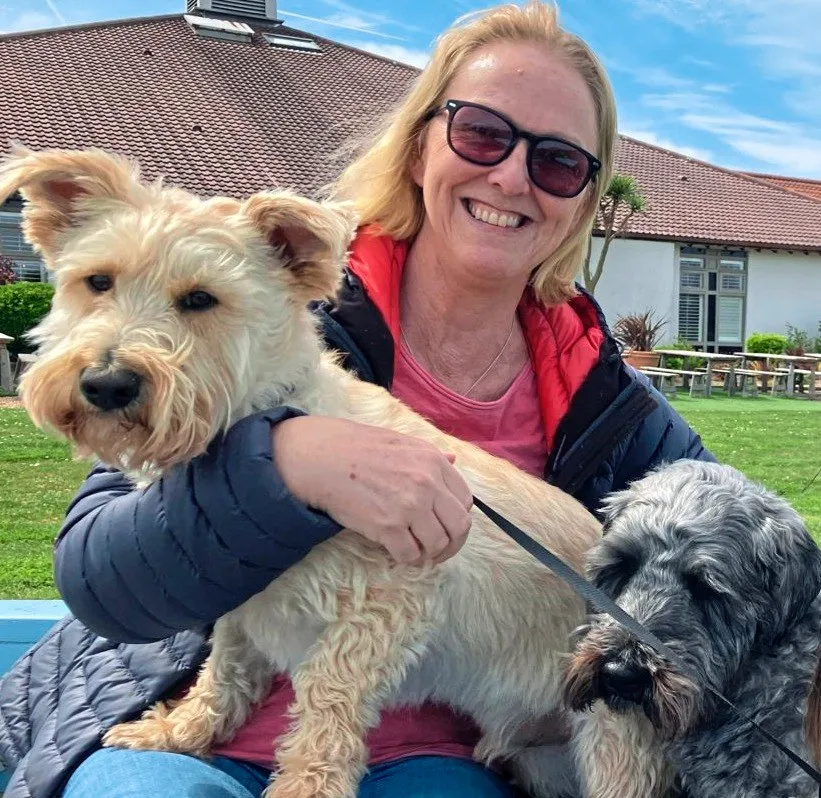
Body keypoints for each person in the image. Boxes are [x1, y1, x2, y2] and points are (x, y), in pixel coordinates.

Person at [1, 3, 713, 797]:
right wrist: (282, 465)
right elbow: (100, 578)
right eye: (481, 133)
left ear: (581, 199)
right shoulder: (292, 324)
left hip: (472, 747)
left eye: (555, 162)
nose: (510, 176)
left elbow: (744, 543)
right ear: (419, 145)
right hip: (191, 748)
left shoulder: (607, 396)